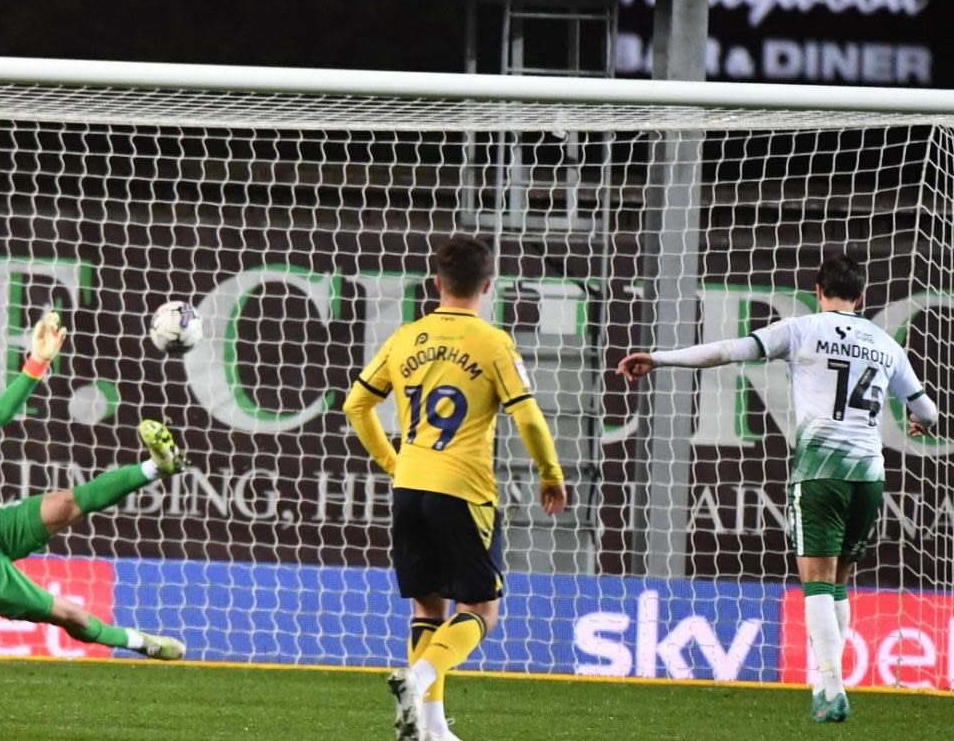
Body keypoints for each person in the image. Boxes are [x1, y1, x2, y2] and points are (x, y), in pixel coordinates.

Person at [616, 254, 940, 724]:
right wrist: (916, 419)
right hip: (869, 476)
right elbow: (927, 412)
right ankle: (828, 681)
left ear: (817, 288)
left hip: (820, 473)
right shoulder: (886, 344)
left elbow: (727, 350)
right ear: (863, 297)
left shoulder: (802, 328)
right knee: (839, 584)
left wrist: (660, 358)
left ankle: (830, 687)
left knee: (816, 581)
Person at [343, 235, 567, 741]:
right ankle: (418, 679)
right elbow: (528, 417)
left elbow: (356, 405)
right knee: (482, 609)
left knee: (427, 605)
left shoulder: (406, 337)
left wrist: (393, 462)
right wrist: (550, 474)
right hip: (464, 491)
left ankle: (430, 728)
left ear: (437, 282)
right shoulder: (493, 342)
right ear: (487, 285)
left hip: (409, 488)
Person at [0, 312, 187, 659]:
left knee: (66, 504)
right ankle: (139, 642)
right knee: (70, 614)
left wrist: (37, 361)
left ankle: (158, 466)